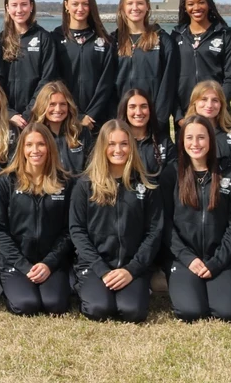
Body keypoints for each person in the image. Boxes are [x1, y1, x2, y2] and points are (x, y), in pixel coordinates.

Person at [69, 120, 162, 323]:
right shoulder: (85, 185)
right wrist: (101, 270)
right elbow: (77, 230)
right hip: (95, 266)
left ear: (131, 146)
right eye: (111, 144)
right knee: (98, 309)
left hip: (131, 266)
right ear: (102, 147)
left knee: (133, 312)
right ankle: (82, 284)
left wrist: (132, 270)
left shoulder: (146, 184)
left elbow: (154, 231)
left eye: (124, 144)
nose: (118, 150)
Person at [165, 115, 231, 323]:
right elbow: (164, 224)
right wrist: (187, 258)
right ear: (182, 141)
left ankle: (230, 278)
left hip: (219, 258)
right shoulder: (172, 173)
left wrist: (218, 262)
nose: (195, 144)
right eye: (189, 138)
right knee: (190, 312)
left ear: (211, 140)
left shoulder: (228, 174)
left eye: (201, 137)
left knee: (228, 313)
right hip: (185, 259)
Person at [0, 123, 74, 316]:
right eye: (29, 145)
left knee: (55, 305)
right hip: (16, 262)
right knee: (26, 305)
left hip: (51, 262)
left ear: (50, 147)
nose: (35, 150)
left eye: (41, 144)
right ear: (22, 149)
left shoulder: (66, 182)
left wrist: (49, 263)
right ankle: (4, 285)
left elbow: (69, 229)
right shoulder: (4, 182)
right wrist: (23, 266)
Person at [111, 0, 179, 137]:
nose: (135, 8)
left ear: (147, 6)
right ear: (122, 8)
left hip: (153, 122)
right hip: (120, 122)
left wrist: (159, 120)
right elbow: (107, 83)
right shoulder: (113, 41)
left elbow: (168, 84)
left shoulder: (163, 41)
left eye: (140, 3)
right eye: (130, 3)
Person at [51, 0, 115, 130]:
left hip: (97, 121)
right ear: (66, 5)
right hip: (64, 118)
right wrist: (76, 115)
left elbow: (107, 82)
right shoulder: (54, 39)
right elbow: (53, 79)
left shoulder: (105, 41)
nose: (80, 9)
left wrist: (91, 114)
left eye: (85, 4)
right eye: (75, 4)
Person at [174, 0, 231, 119]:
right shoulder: (176, 36)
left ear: (209, 4)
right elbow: (170, 80)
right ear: (185, 8)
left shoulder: (225, 34)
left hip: (218, 113)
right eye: (191, 4)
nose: (196, 8)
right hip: (187, 114)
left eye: (201, 2)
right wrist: (179, 116)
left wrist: (217, 104)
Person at [0, 0, 56, 121]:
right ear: (7, 8)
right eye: (14, 5)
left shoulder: (44, 38)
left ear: (31, 6)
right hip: (5, 117)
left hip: (36, 115)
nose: (19, 10)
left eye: (24, 4)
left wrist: (30, 112)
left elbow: (47, 78)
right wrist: (9, 112)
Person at [183, 81, 231, 185]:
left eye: (215, 100)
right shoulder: (185, 133)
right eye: (204, 99)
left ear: (221, 104)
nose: (209, 105)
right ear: (194, 103)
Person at [116, 88, 176, 188]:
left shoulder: (164, 141)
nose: (138, 112)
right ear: (125, 110)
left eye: (143, 106)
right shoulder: (116, 143)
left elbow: (175, 175)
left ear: (150, 109)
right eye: (132, 107)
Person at [31, 81, 93, 177]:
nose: (58, 109)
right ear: (42, 106)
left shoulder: (81, 132)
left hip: (77, 189)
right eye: (52, 104)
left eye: (63, 104)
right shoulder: (33, 135)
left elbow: (91, 168)